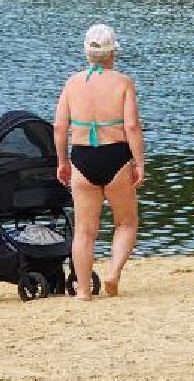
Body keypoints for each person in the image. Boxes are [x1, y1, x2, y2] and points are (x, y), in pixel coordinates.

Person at [53, 24, 144, 301]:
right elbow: (132, 126)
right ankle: (113, 273)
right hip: (116, 155)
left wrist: (62, 161)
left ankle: (83, 291)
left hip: (82, 157)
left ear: (87, 53)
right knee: (126, 223)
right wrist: (139, 162)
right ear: (113, 53)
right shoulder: (123, 82)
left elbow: (59, 127)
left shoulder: (72, 83)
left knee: (84, 230)